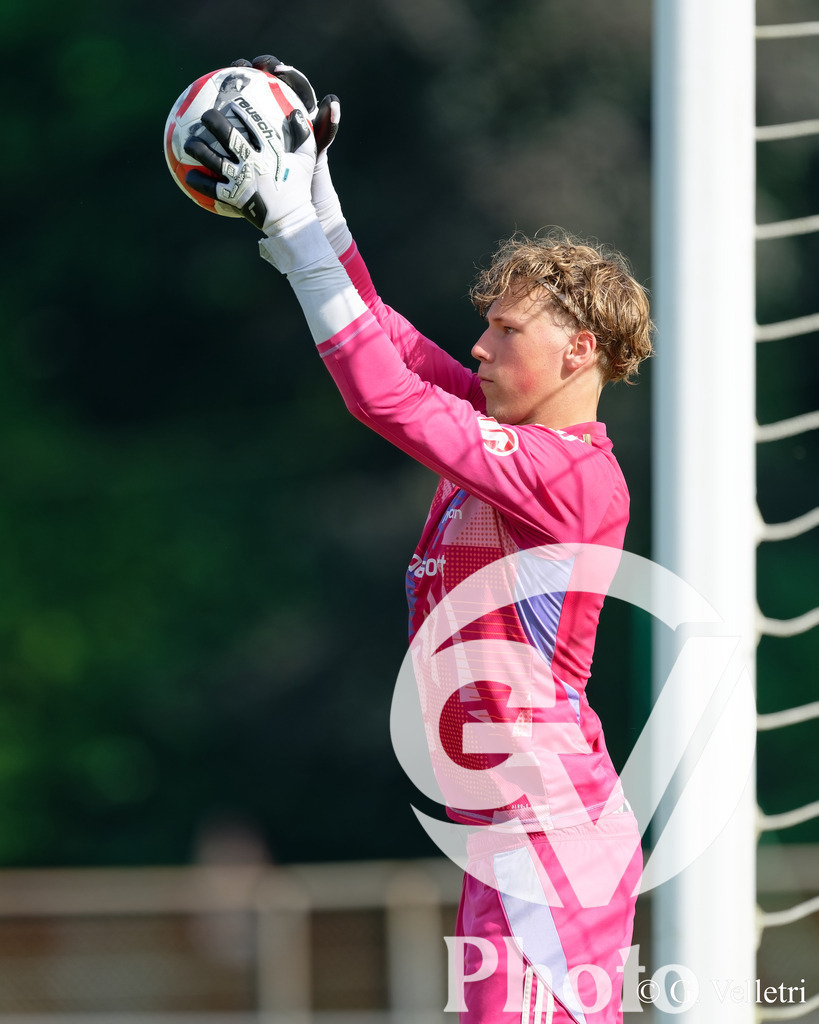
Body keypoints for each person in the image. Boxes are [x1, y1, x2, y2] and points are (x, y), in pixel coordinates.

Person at [182, 55, 654, 1024]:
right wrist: (313, 190)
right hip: (510, 833)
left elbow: (380, 391)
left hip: (548, 828)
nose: (480, 347)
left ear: (579, 351)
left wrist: (300, 228)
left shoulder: (569, 473)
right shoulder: (507, 439)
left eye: (505, 329)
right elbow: (388, 341)